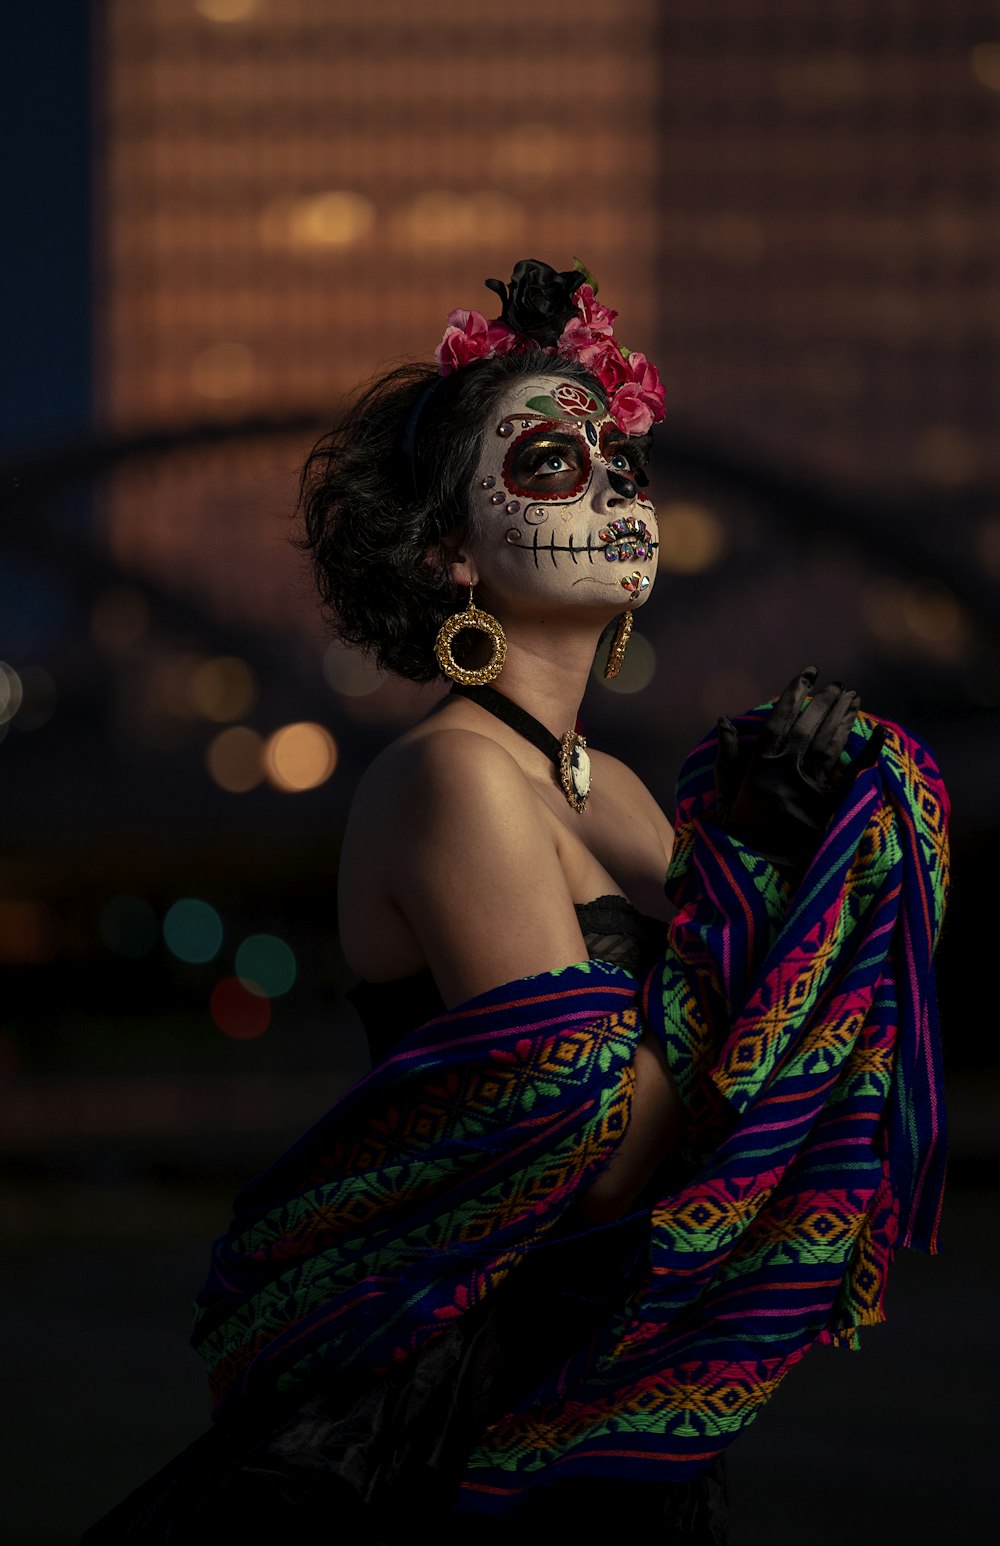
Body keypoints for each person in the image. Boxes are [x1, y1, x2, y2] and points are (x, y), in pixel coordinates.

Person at [81, 261, 949, 1544]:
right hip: (455, 1446)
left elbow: (724, 1070)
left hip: (606, 1407)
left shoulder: (612, 789)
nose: (612, 491)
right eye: (551, 463)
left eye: (623, 464)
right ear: (450, 550)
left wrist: (824, 852)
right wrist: (757, 882)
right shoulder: (453, 779)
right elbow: (602, 1166)